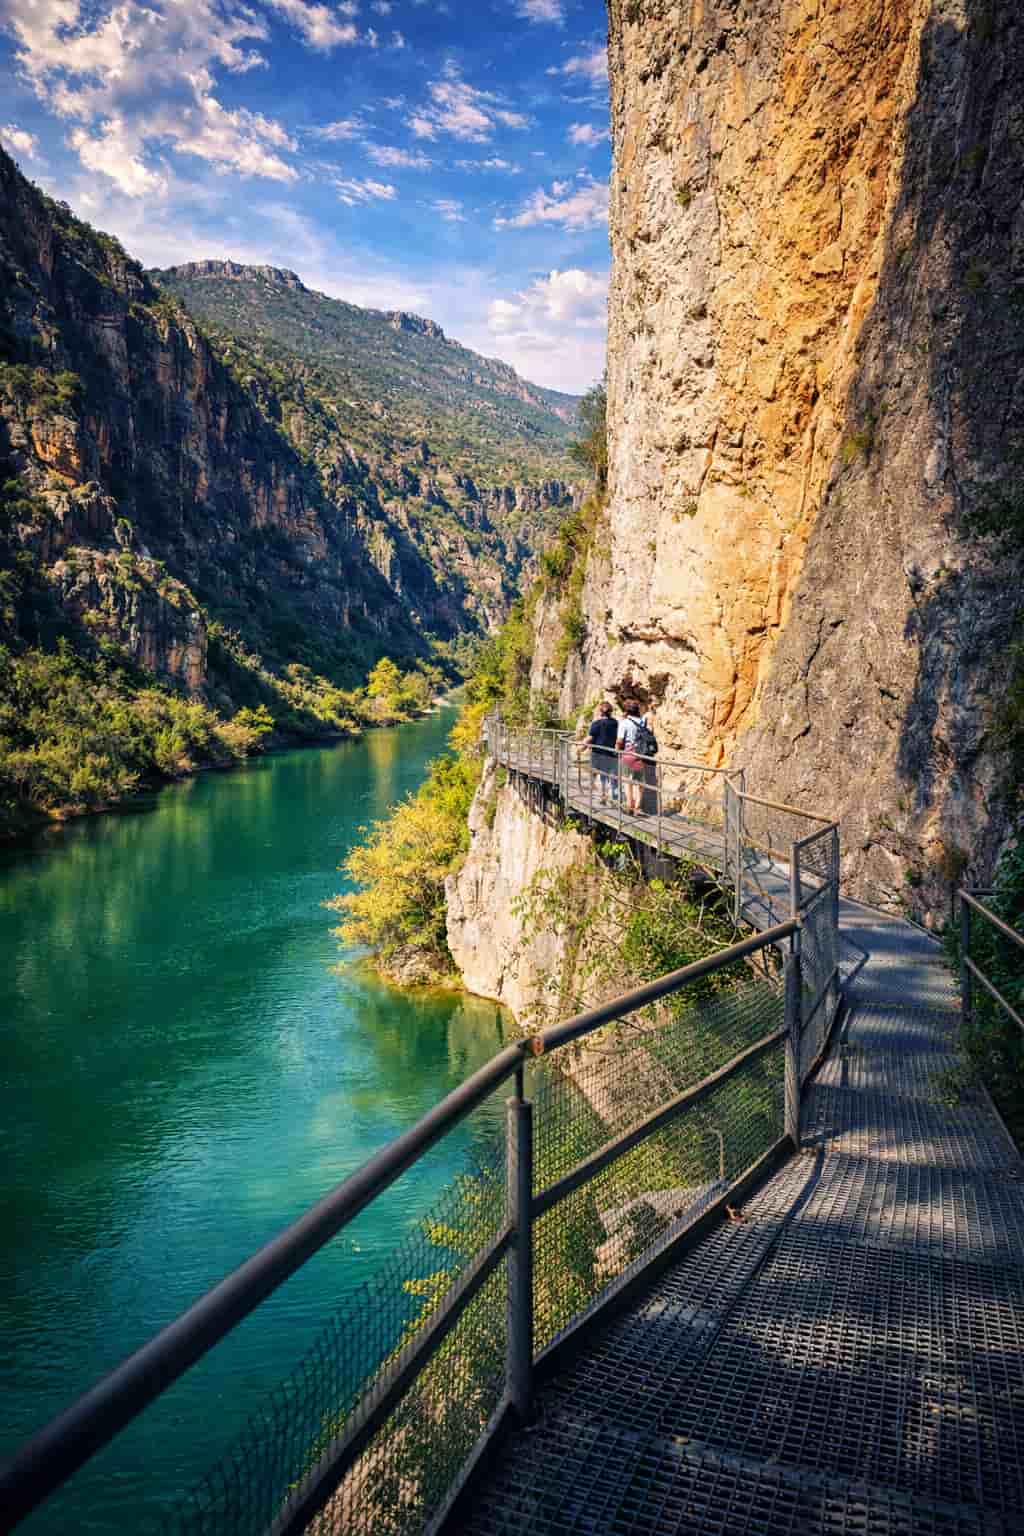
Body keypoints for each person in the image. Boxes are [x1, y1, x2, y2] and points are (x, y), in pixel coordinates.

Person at [617, 698, 649, 815]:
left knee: (627, 780)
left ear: (627, 710)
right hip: (640, 755)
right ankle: (637, 807)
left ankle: (629, 805)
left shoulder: (624, 723)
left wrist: (616, 750)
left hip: (628, 755)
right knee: (640, 782)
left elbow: (620, 741)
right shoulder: (642, 722)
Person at [586, 702, 619, 804]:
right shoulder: (615, 723)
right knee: (612, 776)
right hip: (611, 753)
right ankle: (613, 798)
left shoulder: (596, 724)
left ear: (600, 712)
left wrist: (581, 747)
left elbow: (590, 738)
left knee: (600, 775)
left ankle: (602, 796)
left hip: (598, 753)